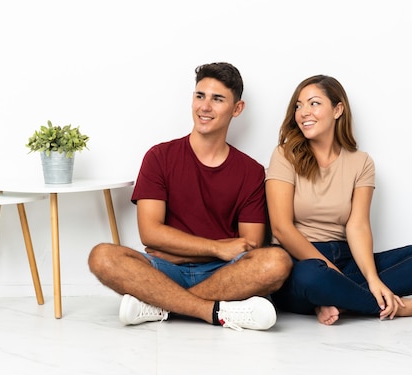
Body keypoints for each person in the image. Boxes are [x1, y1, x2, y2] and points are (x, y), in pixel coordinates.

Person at [88, 62, 293, 331]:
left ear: (237, 108)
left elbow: (250, 244)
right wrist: (217, 248)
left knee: (277, 262)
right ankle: (213, 311)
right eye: (200, 96)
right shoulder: (159, 157)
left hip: (224, 273)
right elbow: (149, 233)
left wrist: (182, 252)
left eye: (217, 99)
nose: (204, 107)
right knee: (101, 256)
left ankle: (160, 305)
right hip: (164, 268)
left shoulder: (251, 171)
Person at [265, 74, 412, 325]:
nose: (303, 112)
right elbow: (281, 228)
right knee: (312, 277)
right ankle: (401, 308)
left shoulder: (361, 162)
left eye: (314, 103)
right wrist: (330, 272)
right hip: (300, 262)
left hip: (346, 257)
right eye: (298, 105)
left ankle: (340, 298)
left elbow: (358, 225)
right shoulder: (284, 155)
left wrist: (372, 279)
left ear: (338, 109)